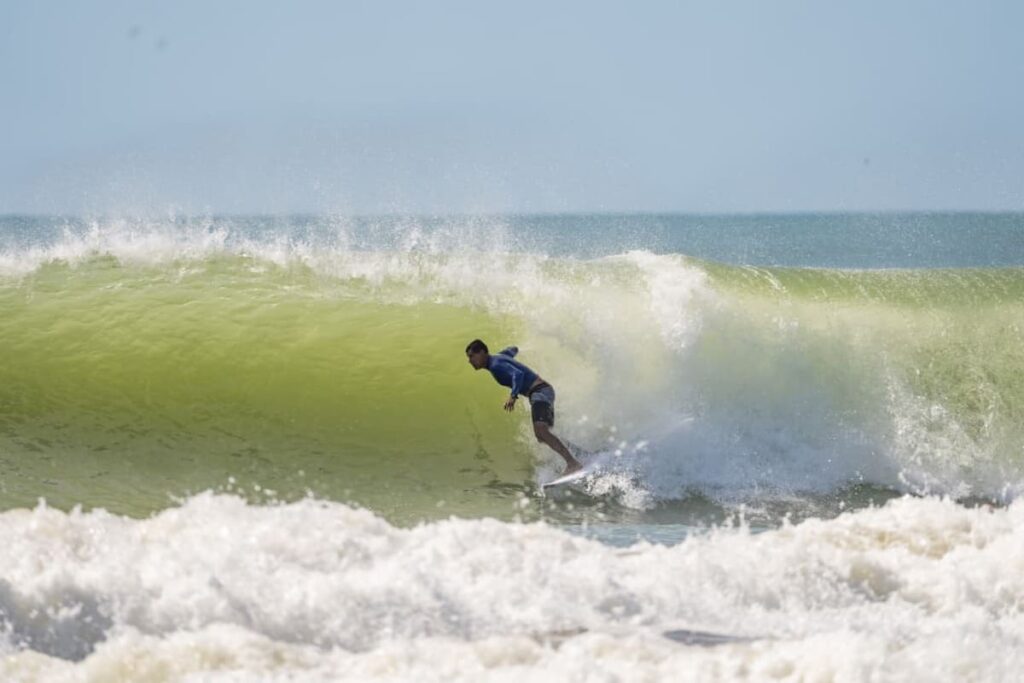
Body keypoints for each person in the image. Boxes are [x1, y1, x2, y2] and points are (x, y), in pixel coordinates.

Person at [466, 339, 582, 475]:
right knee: (542, 436)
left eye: (472, 356)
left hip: (540, 392)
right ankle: (577, 453)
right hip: (543, 392)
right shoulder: (499, 357)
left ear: (482, 352)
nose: (470, 361)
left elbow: (518, 374)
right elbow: (512, 350)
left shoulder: (496, 365)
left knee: (542, 431)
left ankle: (572, 463)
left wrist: (513, 396)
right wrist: (519, 347)